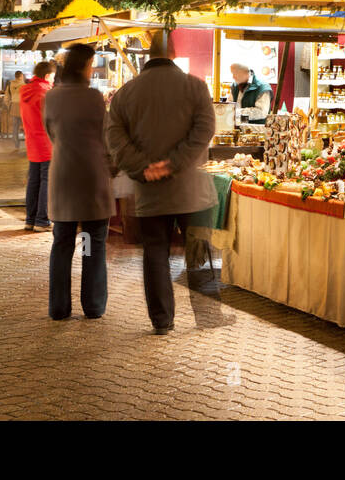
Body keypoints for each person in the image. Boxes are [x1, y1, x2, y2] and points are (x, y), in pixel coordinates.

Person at [107, 30, 216, 334]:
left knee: (155, 252)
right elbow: (205, 130)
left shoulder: (125, 94)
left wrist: (144, 168)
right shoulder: (195, 87)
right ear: (173, 53)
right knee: (198, 251)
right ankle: (207, 317)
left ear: (147, 54)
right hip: (190, 189)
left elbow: (114, 139)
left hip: (149, 191)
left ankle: (162, 320)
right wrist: (174, 163)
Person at [43, 44, 115, 320]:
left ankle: (59, 308)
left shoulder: (52, 98)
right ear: (84, 66)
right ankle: (93, 305)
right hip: (92, 177)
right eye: (91, 64)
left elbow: (52, 133)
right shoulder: (94, 98)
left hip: (63, 176)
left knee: (62, 242)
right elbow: (105, 137)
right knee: (92, 242)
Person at [19, 61, 54, 231]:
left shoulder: (25, 90)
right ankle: (42, 220)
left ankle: (30, 219)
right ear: (47, 76)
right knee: (46, 180)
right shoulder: (45, 92)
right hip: (46, 143)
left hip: (32, 142)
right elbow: (51, 119)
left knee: (34, 181)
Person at [3, 70, 25, 150]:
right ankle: (28, 144)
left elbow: (6, 97)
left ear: (15, 76)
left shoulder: (10, 84)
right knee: (26, 126)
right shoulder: (24, 85)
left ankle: (16, 144)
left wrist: (9, 105)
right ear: (21, 76)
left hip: (13, 106)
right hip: (23, 107)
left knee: (15, 127)